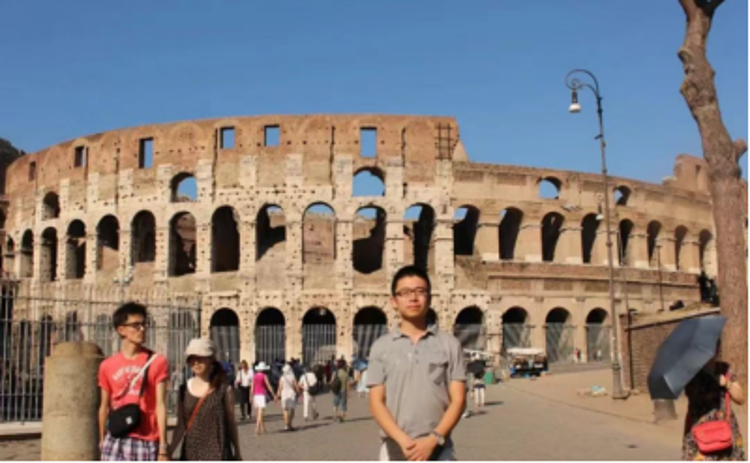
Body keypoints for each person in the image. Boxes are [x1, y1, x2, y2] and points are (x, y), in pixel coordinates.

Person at [368, 265, 467, 461]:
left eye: (420, 291)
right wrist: (404, 441)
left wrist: (432, 440)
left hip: (439, 448)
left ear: (429, 298)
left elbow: (459, 400)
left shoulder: (450, 344)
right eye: (405, 292)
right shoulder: (381, 346)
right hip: (394, 447)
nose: (413, 298)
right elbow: (376, 401)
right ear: (394, 301)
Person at [97, 302, 169, 461]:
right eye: (136, 325)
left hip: (145, 438)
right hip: (116, 436)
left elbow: (160, 405)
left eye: (144, 324)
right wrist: (102, 439)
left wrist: (163, 447)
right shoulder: (107, 365)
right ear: (121, 330)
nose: (142, 329)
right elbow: (104, 406)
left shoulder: (157, 362)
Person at [167, 338, 241, 461]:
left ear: (210, 359)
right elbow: (181, 425)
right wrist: (170, 451)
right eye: (192, 358)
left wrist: (237, 451)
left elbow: (231, 422)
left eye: (200, 358)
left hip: (218, 453)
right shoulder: (184, 389)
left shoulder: (223, 389)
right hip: (191, 454)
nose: (196, 362)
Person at [682, 354, 745, 460]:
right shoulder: (689, 373)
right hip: (698, 434)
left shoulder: (724, 369)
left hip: (724, 431)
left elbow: (741, 399)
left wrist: (727, 383)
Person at [251, 361, 277, 435]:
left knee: (258, 412)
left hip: (255, 395)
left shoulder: (254, 376)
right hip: (262, 394)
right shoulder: (264, 376)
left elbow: (252, 387)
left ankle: (263, 427)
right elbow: (268, 385)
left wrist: (251, 396)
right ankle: (257, 428)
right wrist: (273, 394)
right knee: (261, 412)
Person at [277, 363, 301, 431]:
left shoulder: (282, 377)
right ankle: (290, 423)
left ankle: (286, 424)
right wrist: (299, 392)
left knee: (285, 409)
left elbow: (280, 387)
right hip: (291, 393)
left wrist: (278, 395)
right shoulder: (293, 377)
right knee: (292, 410)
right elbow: (296, 386)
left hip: (284, 394)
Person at [332, 358, 350, 423]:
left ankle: (335, 416)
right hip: (343, 390)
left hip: (336, 390)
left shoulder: (335, 372)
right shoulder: (345, 373)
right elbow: (347, 384)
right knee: (343, 403)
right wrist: (348, 392)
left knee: (335, 403)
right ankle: (341, 417)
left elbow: (332, 381)